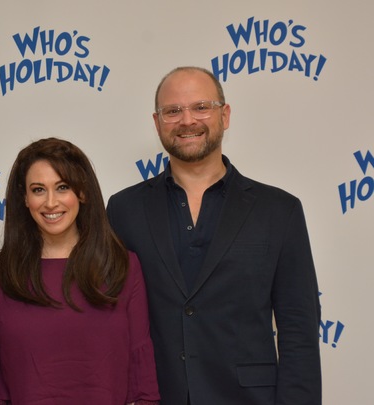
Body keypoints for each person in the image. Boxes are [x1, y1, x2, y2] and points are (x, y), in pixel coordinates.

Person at [106, 67, 322, 405]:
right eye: (173, 111)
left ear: (225, 115)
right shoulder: (123, 209)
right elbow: (111, 322)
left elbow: (299, 331)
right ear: (157, 121)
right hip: (156, 396)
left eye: (201, 107)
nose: (187, 120)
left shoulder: (280, 211)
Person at [0, 137, 160, 405]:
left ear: (82, 193)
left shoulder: (123, 267)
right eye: (39, 189)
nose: (51, 202)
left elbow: (143, 384)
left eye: (62, 187)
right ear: (25, 198)